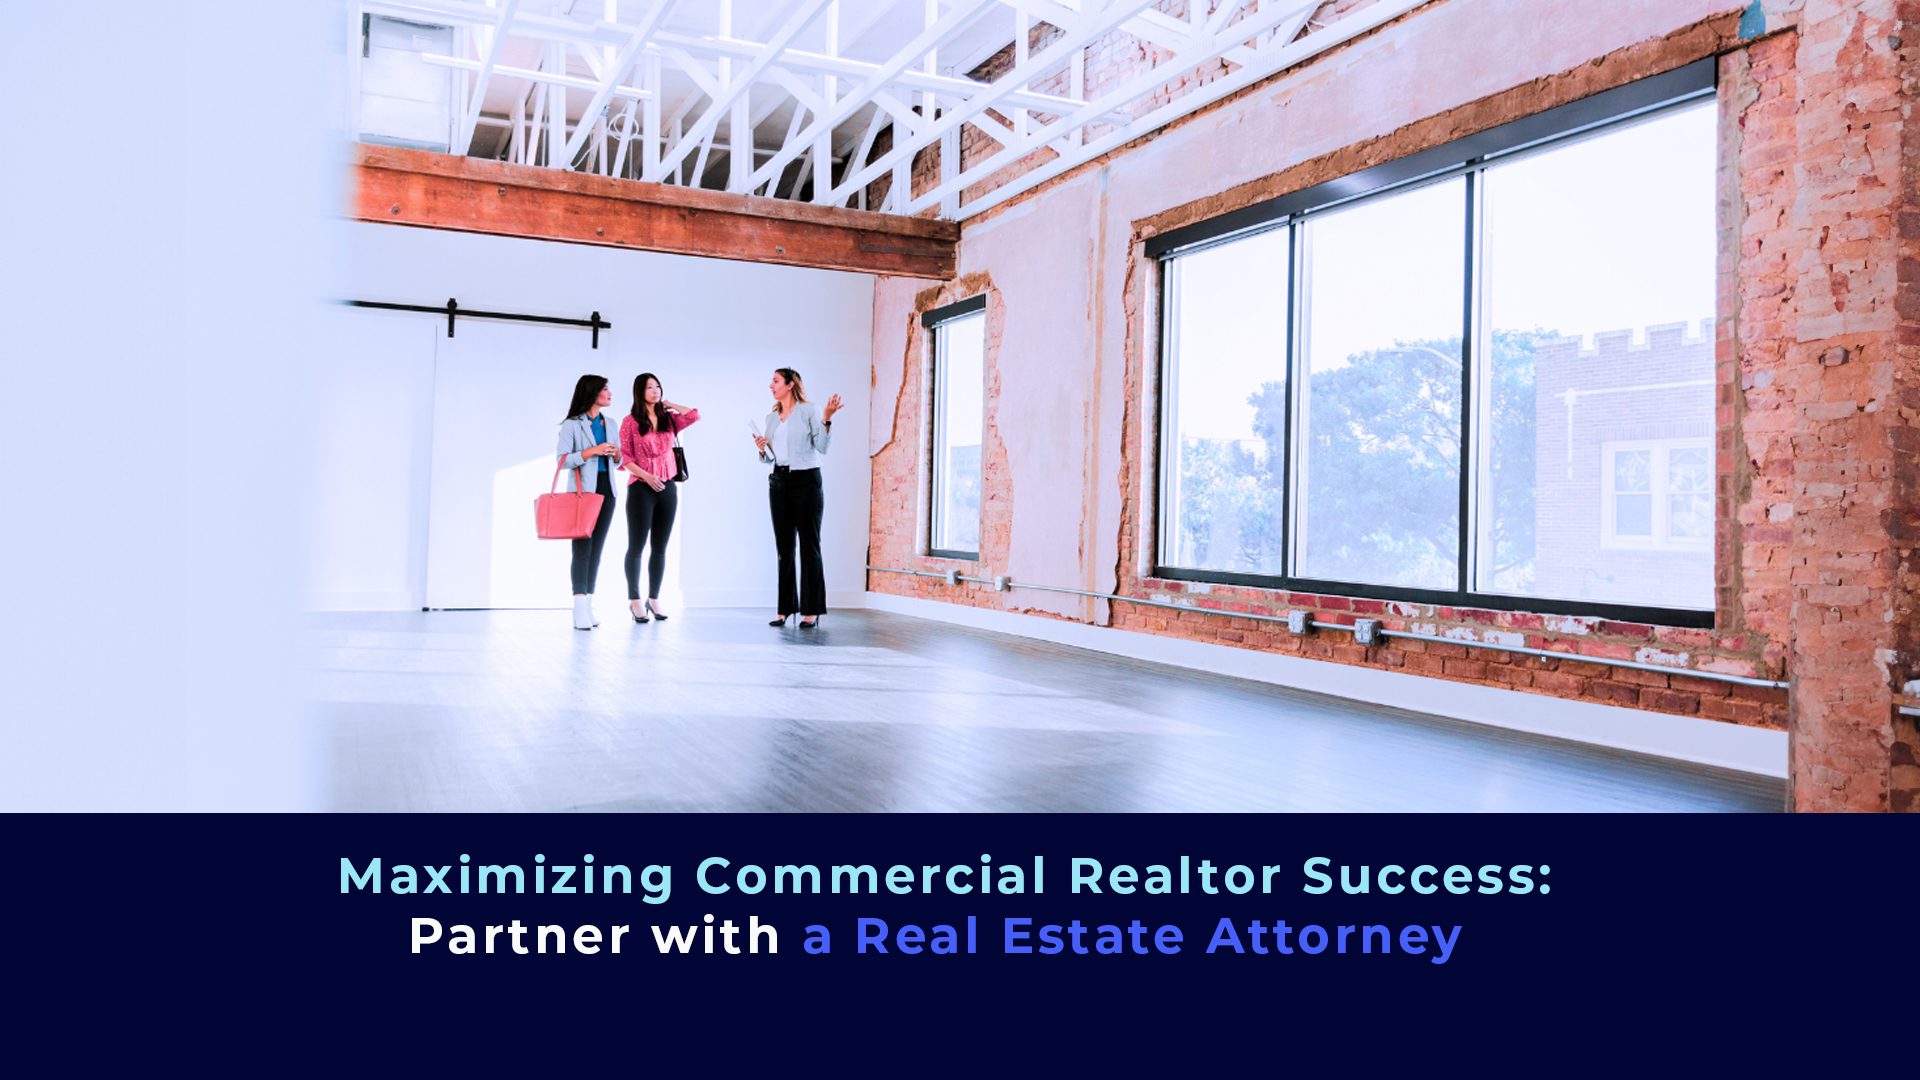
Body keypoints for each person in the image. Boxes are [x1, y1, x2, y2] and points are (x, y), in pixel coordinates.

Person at [753, 367, 840, 629]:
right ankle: (785, 609)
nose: (771, 385)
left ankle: (810, 611)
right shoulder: (771, 417)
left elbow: (822, 447)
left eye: (776, 381)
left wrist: (827, 419)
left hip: (807, 481)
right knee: (784, 549)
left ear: (790, 385)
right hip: (779, 481)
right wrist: (761, 449)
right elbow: (770, 457)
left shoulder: (808, 410)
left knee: (809, 546)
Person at [619, 372, 699, 623]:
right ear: (639, 392)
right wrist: (647, 476)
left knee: (661, 547)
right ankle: (634, 600)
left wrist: (671, 405)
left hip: (668, 487)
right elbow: (625, 458)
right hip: (641, 488)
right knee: (636, 546)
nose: (655, 391)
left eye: (658, 387)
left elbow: (695, 414)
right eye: (649, 387)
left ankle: (653, 599)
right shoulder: (630, 421)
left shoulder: (670, 420)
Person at [557, 375, 621, 630]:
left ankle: (589, 605)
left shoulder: (611, 423)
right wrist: (591, 452)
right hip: (583, 492)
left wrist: (616, 454)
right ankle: (579, 607)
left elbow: (618, 460)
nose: (610, 393)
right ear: (592, 392)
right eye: (605, 389)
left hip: (608, 490)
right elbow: (562, 461)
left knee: (597, 549)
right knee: (583, 548)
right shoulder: (572, 425)